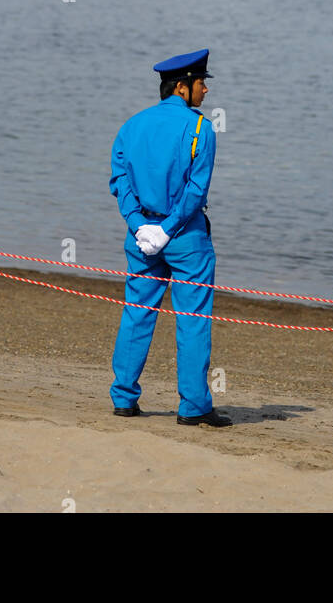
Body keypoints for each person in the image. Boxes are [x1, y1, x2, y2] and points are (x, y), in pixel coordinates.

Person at [109, 48, 231, 427]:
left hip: (142, 236)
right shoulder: (200, 129)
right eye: (202, 83)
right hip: (185, 238)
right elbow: (195, 191)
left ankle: (124, 399)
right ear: (182, 87)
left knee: (137, 313)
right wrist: (167, 229)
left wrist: (139, 224)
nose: (206, 91)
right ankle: (193, 407)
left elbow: (120, 181)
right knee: (192, 319)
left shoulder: (132, 125)